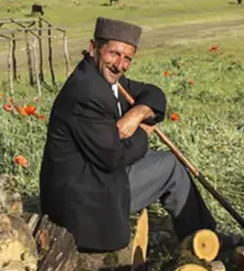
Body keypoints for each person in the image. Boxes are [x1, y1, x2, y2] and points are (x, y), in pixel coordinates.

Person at [39, 17, 218, 252]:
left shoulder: (109, 80)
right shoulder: (87, 93)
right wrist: (143, 131)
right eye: (114, 54)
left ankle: (203, 240)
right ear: (95, 48)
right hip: (84, 201)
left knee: (169, 164)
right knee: (169, 167)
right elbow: (114, 157)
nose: (119, 65)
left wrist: (138, 113)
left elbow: (153, 93)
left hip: (96, 179)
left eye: (127, 59)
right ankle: (203, 241)